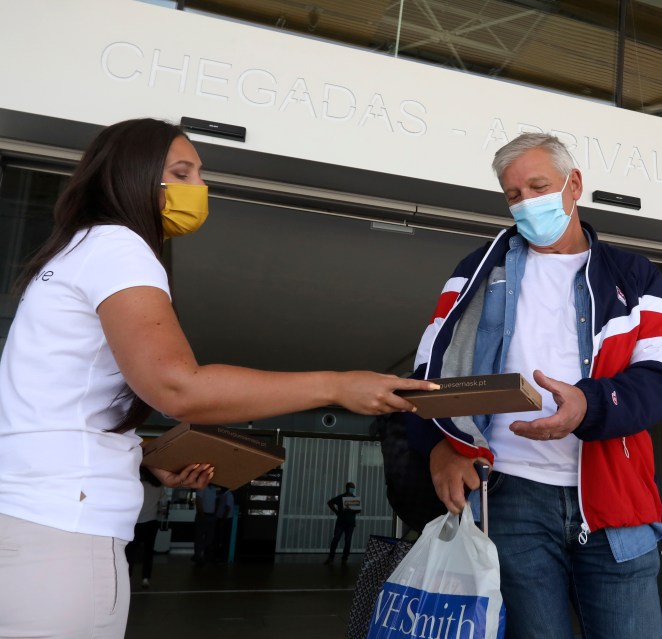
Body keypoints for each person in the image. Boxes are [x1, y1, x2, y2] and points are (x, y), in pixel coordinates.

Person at [0, 118, 437, 639]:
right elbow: (178, 387)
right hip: (64, 533)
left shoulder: (74, 250)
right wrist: (336, 385)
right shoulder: (119, 247)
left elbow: (58, 408)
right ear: (134, 176)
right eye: (182, 172)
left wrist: (142, 458)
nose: (199, 187)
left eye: (199, 174)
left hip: (28, 515)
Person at [407, 133, 662, 638]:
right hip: (510, 496)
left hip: (616, 502)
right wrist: (438, 447)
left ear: (574, 184)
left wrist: (589, 404)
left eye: (538, 186)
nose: (527, 203)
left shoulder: (636, 276)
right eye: (513, 195)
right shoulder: (477, 271)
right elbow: (431, 369)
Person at [125, 467, 167, 588]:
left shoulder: (138, 485)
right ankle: (145, 578)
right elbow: (163, 504)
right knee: (148, 552)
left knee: (130, 552)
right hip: (151, 522)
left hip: (135, 523)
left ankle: (128, 576)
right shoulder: (159, 487)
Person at [325, 481, 361, 564]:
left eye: (353, 487)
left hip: (350, 523)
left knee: (348, 540)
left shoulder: (354, 499)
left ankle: (345, 557)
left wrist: (353, 508)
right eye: (350, 487)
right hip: (341, 522)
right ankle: (331, 557)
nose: (352, 489)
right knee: (336, 538)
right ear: (347, 488)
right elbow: (330, 502)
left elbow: (358, 510)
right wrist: (336, 511)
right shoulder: (341, 497)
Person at [193, 485, 218, 564]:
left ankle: (201, 554)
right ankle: (198, 556)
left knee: (209, 538)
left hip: (211, 515)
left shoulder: (214, 489)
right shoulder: (201, 487)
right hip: (203, 515)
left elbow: (215, 502)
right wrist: (202, 515)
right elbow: (198, 501)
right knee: (199, 537)